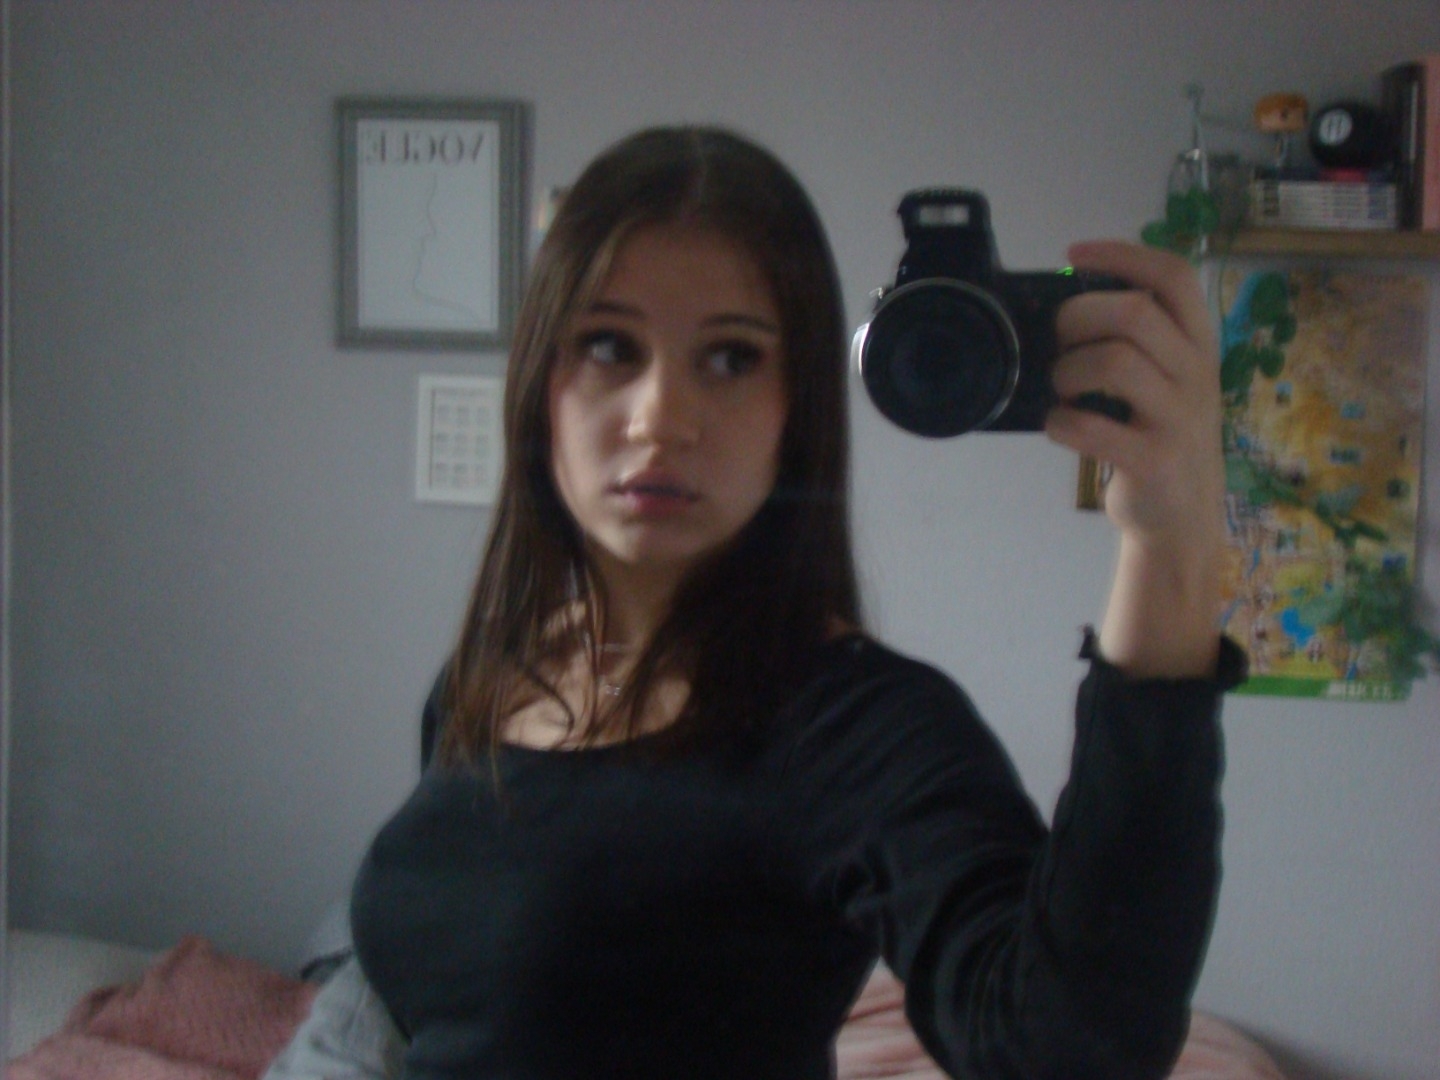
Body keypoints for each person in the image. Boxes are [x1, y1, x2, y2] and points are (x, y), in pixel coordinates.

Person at [313, 126, 1242, 1080]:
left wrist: (1171, 542)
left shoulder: (854, 729)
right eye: (608, 346)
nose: (660, 417)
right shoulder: (486, 677)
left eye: (730, 359)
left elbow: (1067, 1051)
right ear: (540, 381)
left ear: (792, 406)